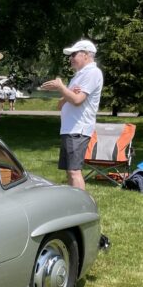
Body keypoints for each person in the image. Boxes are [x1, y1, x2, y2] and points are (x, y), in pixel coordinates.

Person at [39, 39, 104, 191]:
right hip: (69, 128)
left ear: (86, 55)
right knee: (70, 170)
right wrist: (64, 92)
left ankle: (82, 206)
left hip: (79, 128)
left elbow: (77, 100)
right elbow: (61, 104)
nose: (70, 58)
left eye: (74, 54)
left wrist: (61, 88)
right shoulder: (79, 75)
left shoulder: (93, 73)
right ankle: (74, 202)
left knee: (75, 171)